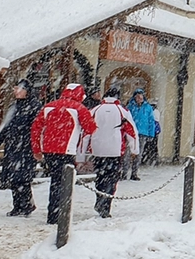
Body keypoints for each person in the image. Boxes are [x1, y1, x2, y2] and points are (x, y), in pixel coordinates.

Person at [31, 83, 97, 225]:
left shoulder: (49, 106)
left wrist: (37, 149)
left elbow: (36, 128)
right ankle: (60, 213)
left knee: (55, 181)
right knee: (64, 183)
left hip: (49, 149)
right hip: (67, 149)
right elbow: (91, 128)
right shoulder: (79, 108)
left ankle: (53, 212)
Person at [86, 87, 138, 218]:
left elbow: (86, 131)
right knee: (112, 178)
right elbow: (131, 130)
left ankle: (99, 199)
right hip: (115, 149)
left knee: (100, 176)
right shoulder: (122, 110)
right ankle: (106, 205)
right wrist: (134, 149)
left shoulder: (95, 110)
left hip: (98, 148)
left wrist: (82, 151)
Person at [0, 79, 40, 217]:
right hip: (13, 145)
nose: (16, 91)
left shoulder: (34, 106)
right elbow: (6, 124)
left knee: (23, 177)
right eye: (15, 88)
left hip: (26, 146)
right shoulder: (14, 106)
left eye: (19, 88)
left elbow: (36, 127)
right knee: (13, 177)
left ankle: (26, 205)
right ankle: (17, 205)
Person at [125, 88, 155, 180]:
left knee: (138, 154)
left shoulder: (148, 108)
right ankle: (124, 172)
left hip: (142, 133)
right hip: (131, 133)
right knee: (127, 154)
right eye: (137, 96)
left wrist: (151, 134)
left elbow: (151, 121)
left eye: (141, 96)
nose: (139, 98)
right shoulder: (130, 107)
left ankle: (134, 173)